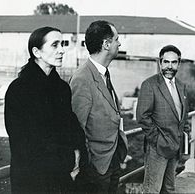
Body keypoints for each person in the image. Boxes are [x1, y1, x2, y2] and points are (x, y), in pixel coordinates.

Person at [4, 26, 87, 194]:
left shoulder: (62, 88)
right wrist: (69, 159)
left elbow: (72, 126)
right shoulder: (19, 90)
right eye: (55, 45)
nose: (62, 50)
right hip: (32, 181)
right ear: (37, 52)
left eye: (62, 44)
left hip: (64, 178)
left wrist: (78, 152)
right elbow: (25, 142)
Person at [69, 20, 128, 194]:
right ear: (106, 44)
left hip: (112, 160)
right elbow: (77, 127)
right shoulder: (82, 78)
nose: (119, 43)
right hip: (96, 168)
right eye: (117, 39)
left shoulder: (104, 73)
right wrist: (89, 166)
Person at [136, 45, 190, 193]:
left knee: (169, 189)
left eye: (173, 62)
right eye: (166, 62)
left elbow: (184, 116)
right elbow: (142, 116)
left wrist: (184, 142)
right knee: (152, 190)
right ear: (160, 63)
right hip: (157, 149)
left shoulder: (181, 86)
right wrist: (159, 140)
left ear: (179, 63)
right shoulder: (150, 85)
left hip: (176, 148)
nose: (169, 67)